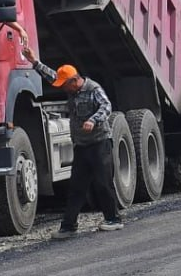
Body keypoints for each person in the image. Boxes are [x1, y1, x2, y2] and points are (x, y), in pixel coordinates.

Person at [22, 46, 122, 238]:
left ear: (74, 81)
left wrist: (93, 120)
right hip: (82, 146)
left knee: (103, 183)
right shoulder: (72, 89)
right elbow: (52, 76)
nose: (61, 88)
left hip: (100, 144)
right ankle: (69, 226)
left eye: (65, 84)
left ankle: (113, 219)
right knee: (76, 186)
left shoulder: (93, 89)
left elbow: (106, 106)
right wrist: (34, 62)